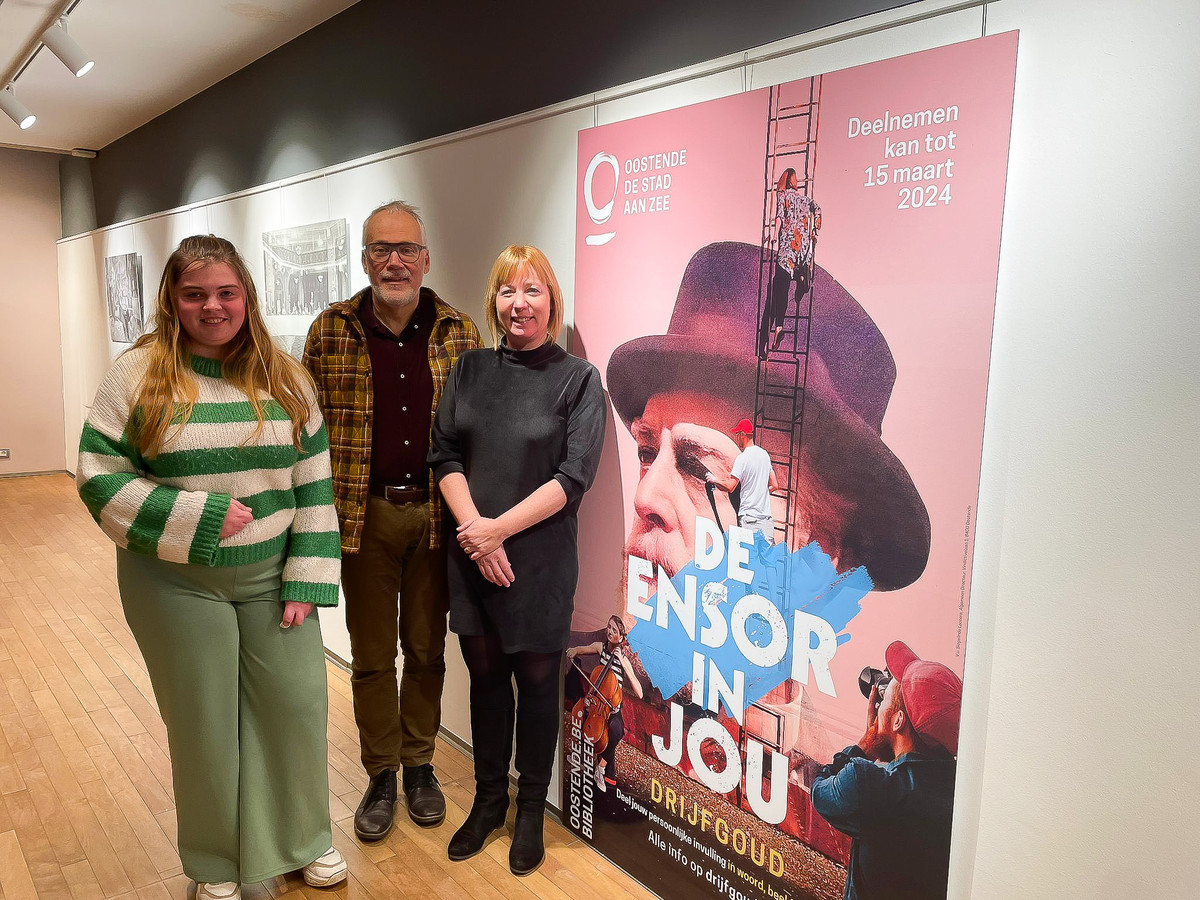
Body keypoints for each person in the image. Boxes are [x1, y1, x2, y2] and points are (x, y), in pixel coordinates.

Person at [76, 235, 346, 900]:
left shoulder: (286, 377)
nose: (212, 306)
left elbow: (314, 483)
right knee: (204, 724)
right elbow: (98, 478)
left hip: (271, 575)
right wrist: (190, 516)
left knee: (296, 708)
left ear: (246, 297)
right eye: (195, 293)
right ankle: (216, 863)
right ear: (173, 298)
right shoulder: (135, 376)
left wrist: (307, 575)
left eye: (226, 292)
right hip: (173, 583)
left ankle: (304, 840)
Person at [303, 200, 482, 840]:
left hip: (437, 517)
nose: (395, 260)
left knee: (428, 650)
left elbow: (478, 437)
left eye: (406, 248)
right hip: (364, 517)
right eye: (382, 248)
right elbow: (306, 432)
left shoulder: (461, 334)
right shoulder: (330, 332)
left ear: (427, 258)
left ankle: (420, 765)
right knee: (374, 655)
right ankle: (380, 771)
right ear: (364, 258)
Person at [429, 245, 605, 876]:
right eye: (507, 290)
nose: (518, 303)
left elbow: (573, 476)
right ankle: (487, 803)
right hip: (473, 557)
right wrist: (476, 533)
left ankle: (531, 808)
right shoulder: (469, 370)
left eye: (532, 290)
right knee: (484, 681)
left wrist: (495, 532)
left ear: (551, 301)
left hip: (539, 562)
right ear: (494, 301)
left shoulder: (580, 381)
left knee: (535, 685)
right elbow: (444, 454)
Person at [811, 641, 961, 900]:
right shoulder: (962, 794)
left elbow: (819, 788)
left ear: (899, 720)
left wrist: (864, 747)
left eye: (886, 695)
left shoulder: (867, 785)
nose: (878, 703)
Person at [566, 615, 644, 792]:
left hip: (612, 707)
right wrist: (574, 651)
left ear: (622, 638)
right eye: (609, 627)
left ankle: (601, 767)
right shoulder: (600, 648)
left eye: (615, 631)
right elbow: (582, 649)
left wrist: (624, 665)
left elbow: (639, 693)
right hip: (596, 701)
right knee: (582, 715)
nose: (610, 632)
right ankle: (580, 756)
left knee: (617, 730)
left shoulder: (624, 660)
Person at [759, 167, 823, 357]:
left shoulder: (783, 196)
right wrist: (814, 230)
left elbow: (779, 217)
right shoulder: (805, 199)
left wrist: (772, 233)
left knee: (780, 286)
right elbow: (817, 209)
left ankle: (778, 326)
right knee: (790, 278)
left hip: (788, 245)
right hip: (801, 247)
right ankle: (803, 278)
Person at [705, 417, 779, 542]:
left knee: (750, 558)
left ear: (743, 435)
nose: (737, 437)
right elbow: (775, 485)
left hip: (749, 518)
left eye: (737, 434)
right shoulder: (764, 455)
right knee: (767, 560)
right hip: (765, 517)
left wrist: (714, 480)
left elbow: (730, 487)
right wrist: (760, 493)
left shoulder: (743, 458)